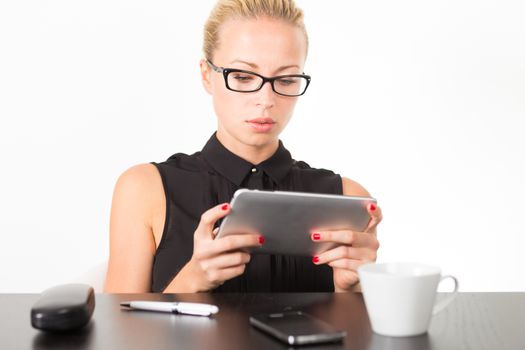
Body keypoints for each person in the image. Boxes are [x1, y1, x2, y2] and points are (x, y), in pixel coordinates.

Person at [104, 0, 382, 294]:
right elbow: (116, 334)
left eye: (286, 79)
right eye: (242, 76)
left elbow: (366, 338)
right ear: (206, 74)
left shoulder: (348, 197)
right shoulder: (144, 190)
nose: (265, 99)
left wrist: (348, 290)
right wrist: (193, 280)